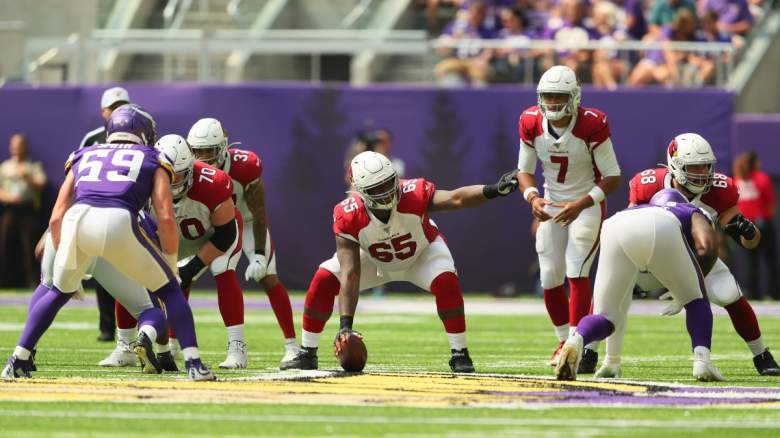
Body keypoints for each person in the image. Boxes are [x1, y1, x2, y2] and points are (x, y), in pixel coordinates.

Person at [1, 105, 214, 381]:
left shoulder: (84, 154)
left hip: (76, 221)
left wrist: (67, 262)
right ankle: (194, 364)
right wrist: (170, 264)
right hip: (118, 220)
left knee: (56, 291)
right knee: (171, 291)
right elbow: (165, 216)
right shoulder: (153, 157)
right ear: (144, 133)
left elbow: (56, 217)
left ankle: (17, 359)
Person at [281, 151, 519, 372]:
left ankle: (460, 353)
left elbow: (456, 198)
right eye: (377, 188)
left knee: (446, 280)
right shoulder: (348, 214)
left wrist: (493, 189)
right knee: (324, 277)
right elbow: (350, 271)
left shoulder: (413, 193)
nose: (386, 191)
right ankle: (308, 352)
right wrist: (345, 326)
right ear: (361, 191)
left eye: (388, 182)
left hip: (422, 254)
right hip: (374, 260)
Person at [620, 133, 780, 377]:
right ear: (676, 166)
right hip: (654, 258)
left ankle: (761, 354)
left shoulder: (719, 190)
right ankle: (587, 349)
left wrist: (749, 232)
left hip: (699, 258)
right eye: (694, 166)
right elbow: (627, 229)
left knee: (730, 294)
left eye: (706, 165)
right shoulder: (648, 184)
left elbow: (750, 243)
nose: (702, 172)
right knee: (612, 292)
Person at [102, 133, 249, 369]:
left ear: (190, 168)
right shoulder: (141, 181)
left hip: (211, 236)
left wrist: (191, 268)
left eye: (178, 174)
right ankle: (125, 345)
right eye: (167, 175)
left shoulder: (214, 183)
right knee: (129, 275)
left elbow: (226, 235)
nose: (172, 181)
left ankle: (237, 346)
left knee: (223, 270)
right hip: (165, 238)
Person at [555, 189, 725, 382]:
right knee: (696, 301)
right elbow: (707, 248)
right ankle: (702, 361)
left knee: (606, 316)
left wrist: (613, 361)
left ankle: (578, 339)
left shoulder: (640, 208)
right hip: (662, 226)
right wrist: (686, 292)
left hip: (615, 224)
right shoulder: (690, 209)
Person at [516, 65, 621, 374]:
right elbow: (523, 169)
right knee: (549, 276)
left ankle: (579, 341)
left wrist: (581, 203)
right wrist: (532, 196)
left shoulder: (592, 123)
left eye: (558, 96)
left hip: (586, 203)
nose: (551, 103)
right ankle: (564, 342)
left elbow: (612, 177)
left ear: (574, 97)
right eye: (546, 96)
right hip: (551, 202)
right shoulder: (530, 120)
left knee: (577, 270)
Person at [187, 118, 300, 366]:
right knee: (183, 275)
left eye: (209, 151)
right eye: (197, 151)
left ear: (223, 147)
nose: (203, 157)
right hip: (209, 225)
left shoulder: (245, 166)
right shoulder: (188, 168)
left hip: (246, 223)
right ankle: (173, 344)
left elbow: (258, 211)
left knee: (268, 276)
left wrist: (259, 253)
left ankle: (293, 346)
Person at [78, 86, 131, 342]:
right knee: (103, 271)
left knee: (134, 271)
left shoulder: (141, 134)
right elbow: (75, 175)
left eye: (123, 105)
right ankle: (107, 327)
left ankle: (137, 328)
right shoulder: (93, 139)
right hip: (98, 212)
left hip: (130, 212)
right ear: (103, 111)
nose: (120, 111)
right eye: (114, 107)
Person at [0, 134, 47, 287]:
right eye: (14, 145)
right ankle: (5, 281)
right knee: (6, 245)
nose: (16, 148)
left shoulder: (33, 166)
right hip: (10, 211)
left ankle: (33, 281)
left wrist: (26, 175)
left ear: (25, 147)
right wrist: (9, 197)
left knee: (30, 246)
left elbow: (41, 184)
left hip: (28, 211)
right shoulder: (5, 167)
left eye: (19, 145)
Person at [733, 151, 779, 300]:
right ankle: (773, 292)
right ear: (755, 163)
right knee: (770, 260)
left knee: (751, 260)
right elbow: (770, 203)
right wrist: (768, 218)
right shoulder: (761, 178)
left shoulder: (738, 180)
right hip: (763, 224)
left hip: (746, 226)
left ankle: (753, 292)